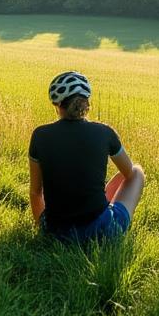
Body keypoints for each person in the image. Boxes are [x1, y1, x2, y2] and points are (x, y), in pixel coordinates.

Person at [28, 71, 145, 242]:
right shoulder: (105, 132)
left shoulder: (40, 135)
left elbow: (36, 192)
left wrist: (44, 230)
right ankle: (104, 212)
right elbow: (128, 173)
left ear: (57, 105)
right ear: (86, 103)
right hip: (101, 232)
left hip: (57, 232)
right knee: (137, 171)